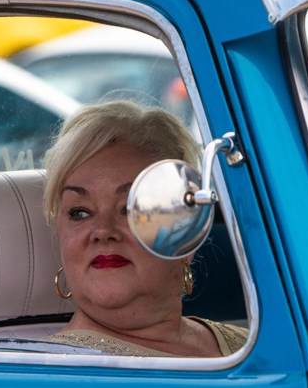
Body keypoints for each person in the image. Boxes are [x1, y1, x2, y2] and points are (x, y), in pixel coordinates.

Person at [42, 100, 247, 357]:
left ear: (188, 227)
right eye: (80, 212)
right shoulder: (51, 375)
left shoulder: (251, 344)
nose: (103, 231)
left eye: (131, 209)